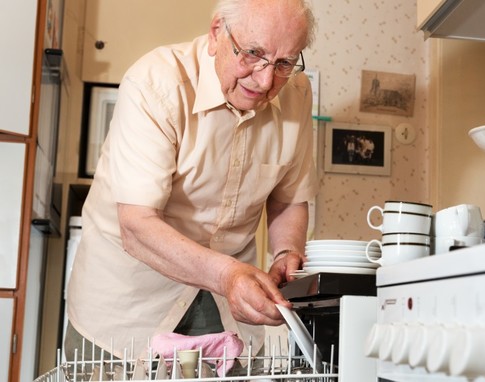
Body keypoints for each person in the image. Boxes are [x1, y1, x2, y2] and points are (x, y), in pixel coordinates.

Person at [64, 0, 318, 362]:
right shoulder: (155, 82)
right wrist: (229, 276)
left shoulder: (297, 92)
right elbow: (136, 225)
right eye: (251, 54)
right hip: (126, 305)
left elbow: (288, 197)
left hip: (226, 305)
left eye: (283, 63)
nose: (265, 81)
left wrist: (285, 253)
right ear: (217, 33)